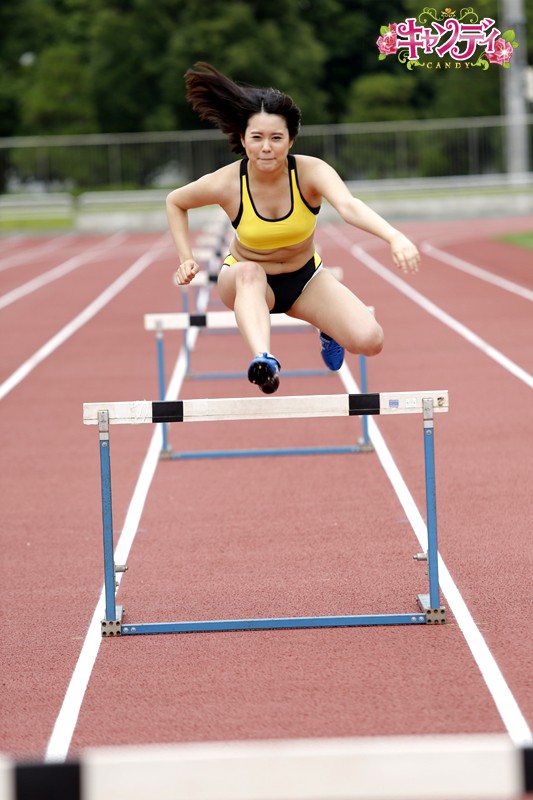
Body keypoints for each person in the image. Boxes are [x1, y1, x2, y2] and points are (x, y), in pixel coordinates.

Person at [166, 62, 420, 394]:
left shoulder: (310, 172)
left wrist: (394, 236)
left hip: (305, 279)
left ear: (291, 140)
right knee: (250, 272)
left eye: (276, 138)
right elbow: (176, 201)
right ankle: (264, 360)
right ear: (242, 139)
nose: (266, 147)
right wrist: (186, 258)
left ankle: (328, 329)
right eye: (257, 137)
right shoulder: (227, 182)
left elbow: (349, 206)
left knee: (370, 340)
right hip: (245, 281)